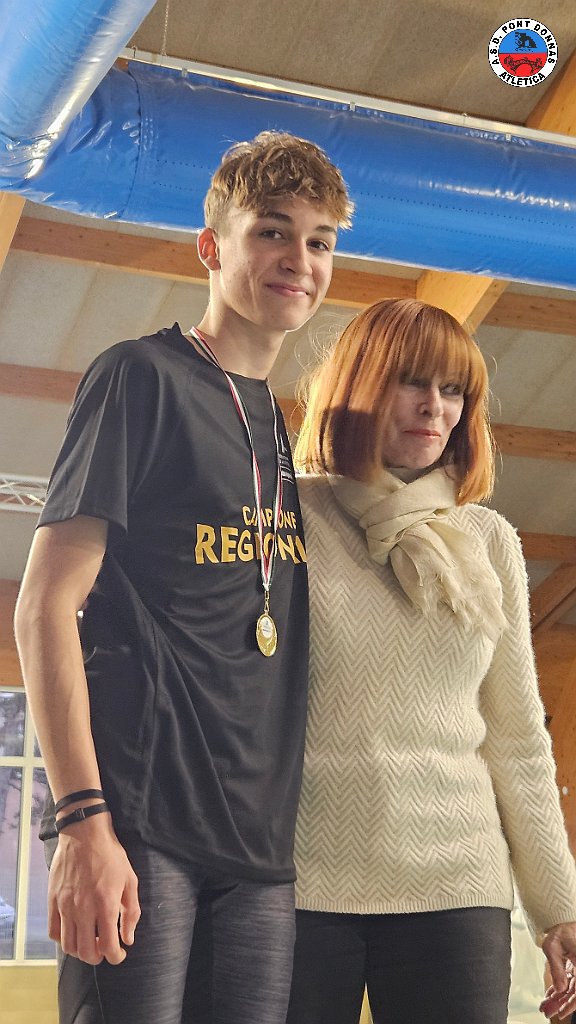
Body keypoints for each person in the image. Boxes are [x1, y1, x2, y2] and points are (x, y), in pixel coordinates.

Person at [13, 130, 353, 1024]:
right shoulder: (140, 378)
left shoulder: (277, 426)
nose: (299, 259)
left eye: (319, 241)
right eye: (272, 231)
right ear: (211, 246)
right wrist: (82, 820)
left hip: (257, 852)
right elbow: (44, 607)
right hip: (140, 825)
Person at [286, 297, 576, 1024]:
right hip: (298, 885)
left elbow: (518, 739)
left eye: (454, 391)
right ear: (359, 385)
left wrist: (558, 907)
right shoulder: (286, 516)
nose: (435, 408)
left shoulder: (491, 539)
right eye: (412, 381)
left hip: (459, 888)